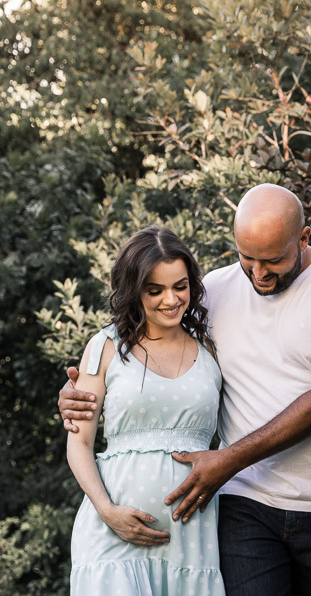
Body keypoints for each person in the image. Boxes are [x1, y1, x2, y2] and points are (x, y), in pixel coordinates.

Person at [60, 184, 311, 595]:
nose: (259, 274)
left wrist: (227, 460)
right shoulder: (217, 290)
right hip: (244, 506)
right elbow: (150, 361)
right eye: (247, 258)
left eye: (274, 260)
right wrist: (78, 398)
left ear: (303, 238)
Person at [65, 226, 225, 595]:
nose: (170, 300)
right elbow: (78, 444)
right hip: (112, 534)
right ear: (133, 290)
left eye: (180, 287)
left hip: (193, 539)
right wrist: (107, 511)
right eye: (155, 290)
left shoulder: (212, 347)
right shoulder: (105, 347)